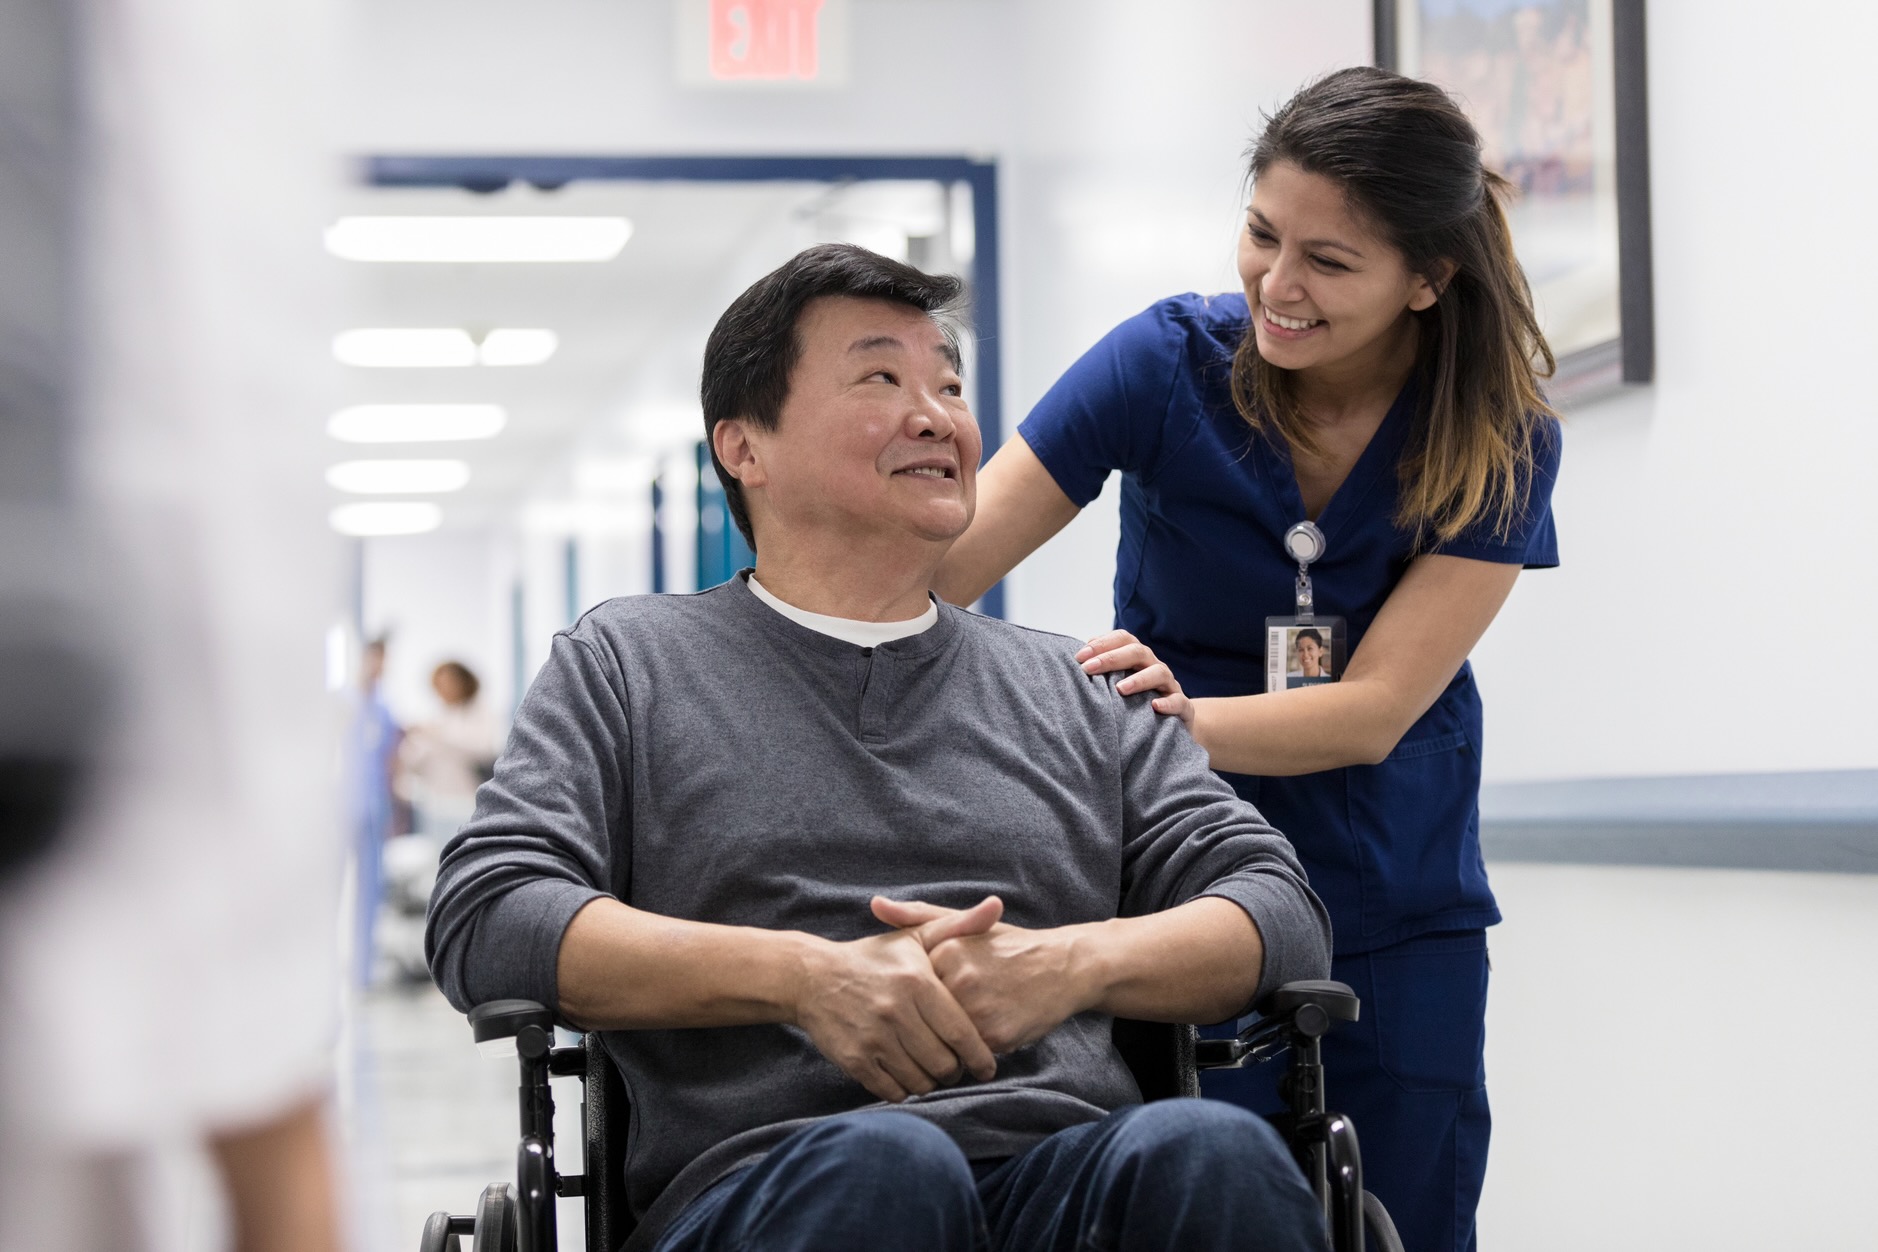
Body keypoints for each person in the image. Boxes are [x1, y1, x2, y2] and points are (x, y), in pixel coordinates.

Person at [426, 244, 1335, 1252]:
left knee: (1213, 1151)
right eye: (880, 378)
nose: (936, 414)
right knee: (889, 1169)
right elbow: (489, 913)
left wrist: (1069, 964)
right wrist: (805, 978)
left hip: (1060, 1174)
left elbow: (1277, 908)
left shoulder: (1084, 685)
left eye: (948, 383)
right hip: (768, 1189)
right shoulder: (631, 668)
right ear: (745, 448)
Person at [935, 67, 1563, 1252]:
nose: (1278, 286)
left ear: (1428, 279)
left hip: (1393, 891)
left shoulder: (1498, 434)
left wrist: (1167, 717)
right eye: (1264, 233)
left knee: (1406, 1214)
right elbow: (943, 571)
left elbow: (1375, 708)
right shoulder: (1162, 364)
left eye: (1330, 262)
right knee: (1188, 1201)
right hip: (1172, 885)